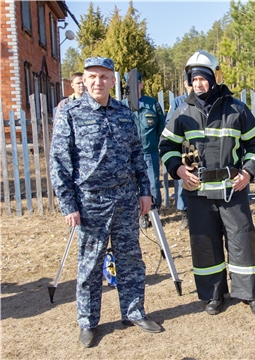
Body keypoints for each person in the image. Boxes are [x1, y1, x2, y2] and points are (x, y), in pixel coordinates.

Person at [50, 57, 162, 348]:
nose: (98, 81)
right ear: (85, 81)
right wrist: (68, 204)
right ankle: (88, 322)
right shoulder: (71, 113)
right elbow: (59, 162)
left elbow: (139, 155)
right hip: (90, 202)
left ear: (113, 81)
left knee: (130, 259)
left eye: (104, 76)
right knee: (90, 265)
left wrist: (145, 191)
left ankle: (134, 312)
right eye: (92, 76)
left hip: (125, 199)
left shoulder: (125, 113)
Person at [159, 50, 255, 316]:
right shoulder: (182, 111)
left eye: (203, 78)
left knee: (241, 241)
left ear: (214, 78)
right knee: (205, 244)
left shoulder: (236, 108)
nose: (198, 84)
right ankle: (213, 295)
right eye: (193, 79)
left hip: (233, 189)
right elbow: (166, 146)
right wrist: (179, 169)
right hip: (198, 193)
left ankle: (249, 293)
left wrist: (248, 173)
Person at [123, 72, 166, 229]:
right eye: (130, 84)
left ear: (141, 84)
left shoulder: (152, 104)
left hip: (149, 152)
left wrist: (156, 144)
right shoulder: (122, 105)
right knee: (132, 184)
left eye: (137, 83)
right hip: (129, 155)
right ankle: (140, 215)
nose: (134, 86)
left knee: (153, 183)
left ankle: (153, 211)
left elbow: (161, 126)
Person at [166, 74, 192, 231]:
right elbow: (169, 122)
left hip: (200, 148)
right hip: (183, 148)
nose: (192, 85)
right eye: (189, 82)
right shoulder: (177, 102)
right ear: (184, 83)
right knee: (183, 182)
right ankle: (185, 214)